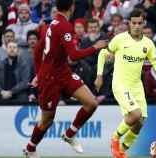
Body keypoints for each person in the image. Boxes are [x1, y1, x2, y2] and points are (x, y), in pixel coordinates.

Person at [23, 0, 108, 157]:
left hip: (64, 73)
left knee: (91, 103)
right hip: (50, 78)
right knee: (47, 120)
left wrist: (37, 72)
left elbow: (37, 51)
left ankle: (69, 135)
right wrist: (95, 47)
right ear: (72, 7)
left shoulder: (52, 24)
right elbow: (74, 55)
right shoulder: (63, 26)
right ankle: (30, 149)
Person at [95, 9, 156, 158]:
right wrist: (99, 76)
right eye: (134, 23)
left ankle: (122, 150)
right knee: (135, 114)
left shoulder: (148, 44)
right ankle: (115, 139)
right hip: (120, 84)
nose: (137, 26)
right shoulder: (119, 39)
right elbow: (103, 53)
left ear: (144, 23)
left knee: (141, 121)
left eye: (139, 23)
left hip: (136, 86)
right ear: (129, 24)